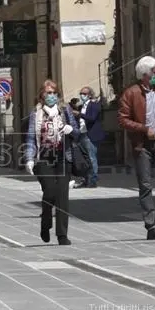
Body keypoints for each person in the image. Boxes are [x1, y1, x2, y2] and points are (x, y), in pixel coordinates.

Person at [118, 55, 155, 240]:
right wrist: (144, 129)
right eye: (154, 72)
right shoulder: (131, 93)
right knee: (145, 185)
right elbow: (122, 119)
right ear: (144, 74)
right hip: (142, 145)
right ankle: (151, 225)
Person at [25, 79, 80, 246]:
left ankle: (62, 235)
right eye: (48, 92)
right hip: (44, 158)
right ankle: (46, 222)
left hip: (63, 157)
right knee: (49, 192)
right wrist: (29, 158)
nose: (51, 96)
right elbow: (30, 138)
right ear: (42, 94)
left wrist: (71, 130)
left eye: (54, 93)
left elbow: (77, 132)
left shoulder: (65, 110)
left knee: (62, 196)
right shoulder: (36, 114)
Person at [72, 86, 105, 188]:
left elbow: (92, 118)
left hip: (90, 135)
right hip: (82, 133)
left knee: (91, 158)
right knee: (84, 159)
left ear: (90, 95)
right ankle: (86, 178)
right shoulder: (82, 106)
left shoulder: (94, 105)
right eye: (81, 93)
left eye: (85, 94)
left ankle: (93, 180)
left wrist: (80, 114)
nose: (82, 96)